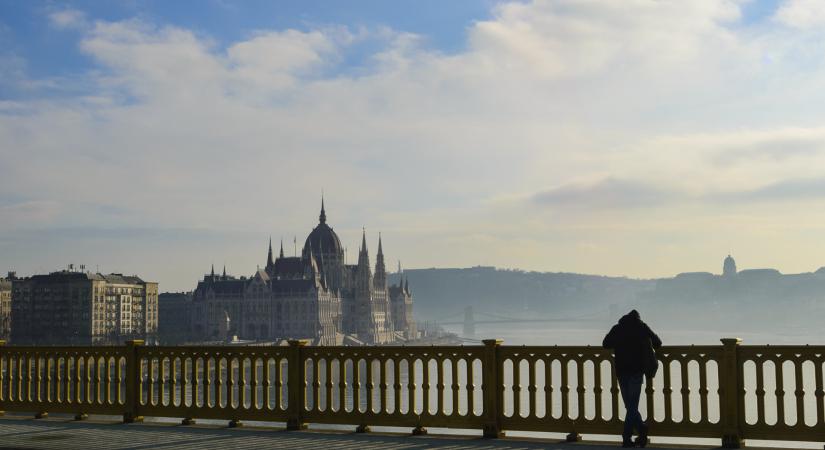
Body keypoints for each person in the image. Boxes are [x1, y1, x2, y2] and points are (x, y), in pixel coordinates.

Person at [603, 310, 662, 448]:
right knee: (632, 406)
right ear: (638, 318)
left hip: (622, 371)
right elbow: (658, 342)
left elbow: (606, 343)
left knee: (630, 406)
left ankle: (633, 435)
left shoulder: (618, 328)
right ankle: (638, 432)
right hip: (636, 372)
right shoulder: (642, 327)